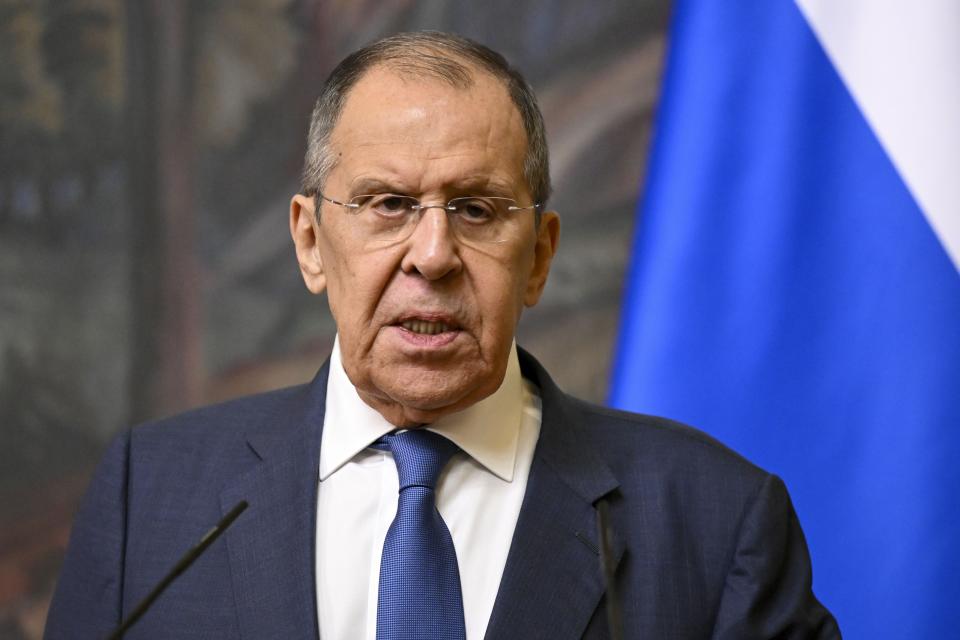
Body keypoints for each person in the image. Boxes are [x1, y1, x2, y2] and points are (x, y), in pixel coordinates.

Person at [45, 32, 840, 639]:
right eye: (388, 204)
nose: (432, 256)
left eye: (478, 209)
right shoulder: (148, 496)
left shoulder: (713, 519)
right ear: (312, 243)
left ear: (540, 257)